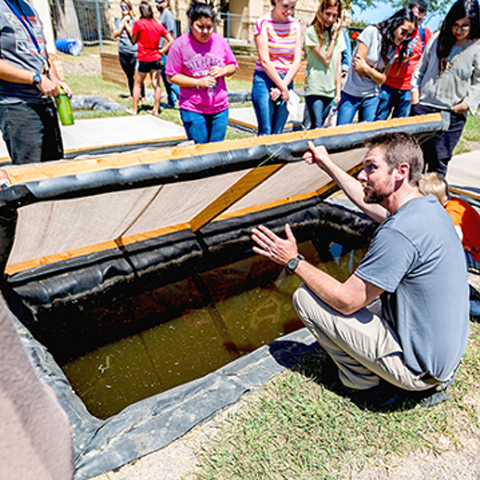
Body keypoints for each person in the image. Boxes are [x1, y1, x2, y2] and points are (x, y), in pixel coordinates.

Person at [251, 132, 469, 408]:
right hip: (441, 359)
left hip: (421, 372)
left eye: (371, 168)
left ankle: (364, 384)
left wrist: (293, 260)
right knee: (369, 296)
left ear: (401, 171)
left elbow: (346, 301)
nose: (363, 176)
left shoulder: (399, 233)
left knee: (307, 298)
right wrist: (327, 164)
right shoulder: (426, 208)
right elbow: (371, 206)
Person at [411, 0, 480, 176]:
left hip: (451, 114)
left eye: (465, 26)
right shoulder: (437, 39)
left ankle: (434, 202)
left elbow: (478, 83)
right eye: (455, 25)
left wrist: (464, 105)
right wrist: (415, 99)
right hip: (424, 108)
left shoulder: (477, 47)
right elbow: (420, 69)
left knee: (438, 163)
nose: (459, 30)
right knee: (415, 160)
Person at [0, 0, 72, 165]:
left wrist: (55, 79)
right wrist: (35, 78)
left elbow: (42, 52)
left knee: (55, 168)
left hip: (45, 103)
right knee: (31, 175)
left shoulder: (28, 8)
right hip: (18, 106)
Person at [166, 1, 237, 144]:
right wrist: (198, 82)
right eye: (200, 27)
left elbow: (233, 66)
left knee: (216, 150)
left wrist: (223, 70)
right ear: (191, 23)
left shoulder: (220, 41)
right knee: (199, 150)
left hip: (219, 109)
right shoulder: (179, 45)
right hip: (193, 109)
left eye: (209, 27)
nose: (205, 32)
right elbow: (171, 76)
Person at [337, 8, 417, 126]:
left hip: (371, 96)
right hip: (351, 93)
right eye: (403, 32)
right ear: (395, 24)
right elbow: (357, 67)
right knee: (340, 134)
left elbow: (382, 79)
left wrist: (367, 68)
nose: (404, 37)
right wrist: (375, 73)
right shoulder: (371, 32)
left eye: (407, 35)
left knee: (366, 137)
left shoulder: (392, 47)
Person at [251, 0, 303, 136]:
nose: (289, 11)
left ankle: (276, 157)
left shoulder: (296, 25)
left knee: (278, 131)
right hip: (265, 79)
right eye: (285, 6)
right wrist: (283, 87)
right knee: (265, 130)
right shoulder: (263, 23)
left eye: (292, 7)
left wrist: (283, 86)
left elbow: (297, 60)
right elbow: (264, 60)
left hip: (286, 78)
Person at [375, 0, 432, 120]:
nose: (417, 23)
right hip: (388, 83)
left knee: (400, 126)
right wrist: (397, 59)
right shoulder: (396, 30)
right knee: (380, 120)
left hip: (408, 87)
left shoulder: (424, 33)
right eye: (415, 18)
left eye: (420, 20)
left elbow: (429, 57)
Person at [419, 172, 480, 273]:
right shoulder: (454, 202)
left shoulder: (452, 211)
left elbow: (456, 236)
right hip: (474, 250)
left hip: (476, 256)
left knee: (440, 259)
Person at [125, 1, 173, 116]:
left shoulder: (139, 23)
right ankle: (156, 110)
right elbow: (171, 39)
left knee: (137, 84)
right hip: (155, 59)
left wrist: (128, 28)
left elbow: (133, 39)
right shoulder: (157, 24)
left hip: (143, 59)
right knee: (156, 85)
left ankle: (135, 109)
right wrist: (162, 50)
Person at [304, 0, 346, 129]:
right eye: (328, 14)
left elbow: (338, 65)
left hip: (330, 90)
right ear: (321, 12)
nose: (330, 19)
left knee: (320, 127)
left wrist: (338, 93)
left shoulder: (338, 34)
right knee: (316, 126)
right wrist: (333, 38)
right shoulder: (312, 32)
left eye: (335, 15)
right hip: (315, 87)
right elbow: (326, 59)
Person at [113, 0, 144, 100]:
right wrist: (122, 24)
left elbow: (133, 35)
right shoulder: (119, 21)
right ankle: (132, 94)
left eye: (125, 7)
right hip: (123, 51)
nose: (123, 9)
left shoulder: (134, 21)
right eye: (122, 7)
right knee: (129, 75)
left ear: (130, 8)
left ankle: (142, 95)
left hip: (133, 51)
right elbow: (115, 34)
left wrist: (126, 23)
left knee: (137, 75)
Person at [155, 0, 179, 108]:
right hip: (162, 52)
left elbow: (171, 36)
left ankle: (184, 100)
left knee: (170, 79)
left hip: (167, 54)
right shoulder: (162, 16)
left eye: (159, 1)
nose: (157, 4)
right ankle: (171, 102)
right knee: (165, 80)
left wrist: (162, 50)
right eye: (156, 1)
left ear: (166, 1)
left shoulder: (168, 16)